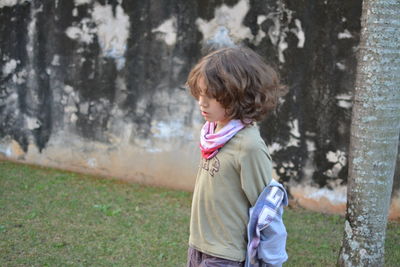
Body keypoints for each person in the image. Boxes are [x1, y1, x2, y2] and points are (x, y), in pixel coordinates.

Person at [185, 46, 287, 267]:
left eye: (212, 96)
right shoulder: (212, 132)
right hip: (199, 244)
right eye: (200, 93)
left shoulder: (248, 145)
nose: (202, 102)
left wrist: (272, 260)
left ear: (239, 97)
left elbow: (266, 209)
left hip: (226, 253)